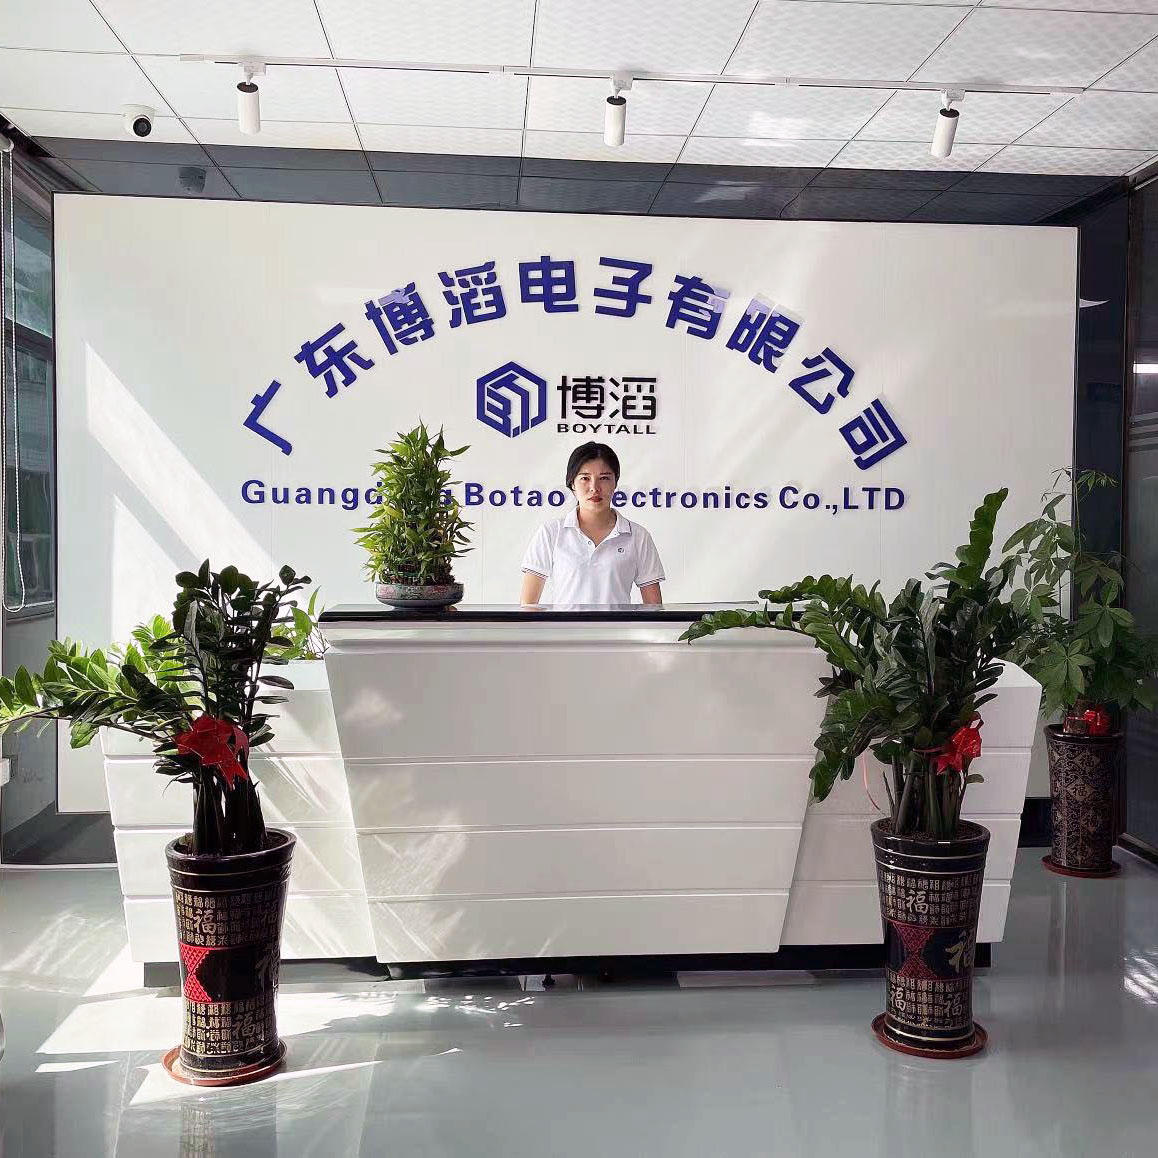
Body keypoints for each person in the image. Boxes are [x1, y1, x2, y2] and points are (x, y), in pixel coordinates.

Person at [520, 442, 664, 606]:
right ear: (572, 484)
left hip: (618, 624)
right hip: (565, 624)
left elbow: (654, 607)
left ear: (615, 483)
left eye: (604, 478)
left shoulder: (638, 536)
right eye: (585, 478)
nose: (594, 487)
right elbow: (528, 605)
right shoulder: (551, 532)